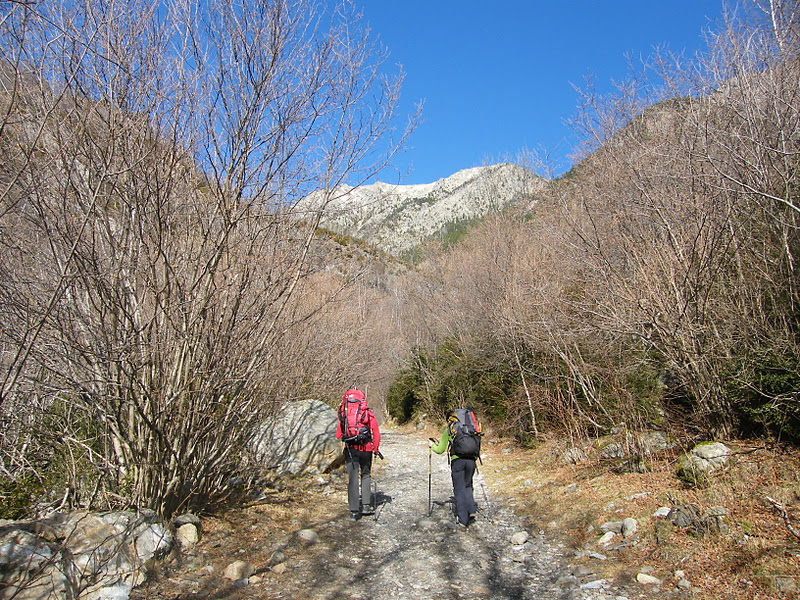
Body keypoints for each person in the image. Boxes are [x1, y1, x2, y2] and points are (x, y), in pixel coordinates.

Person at [429, 409, 481, 528]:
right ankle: (471, 510)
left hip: (458, 461)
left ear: (449, 419)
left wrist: (432, 446)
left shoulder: (450, 428)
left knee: (459, 489)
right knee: (468, 485)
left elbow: (440, 449)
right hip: (471, 460)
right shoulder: (470, 428)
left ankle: (463, 519)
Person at [335, 389, 381, 521]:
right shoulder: (367, 413)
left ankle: (354, 512)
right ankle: (366, 506)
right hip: (366, 449)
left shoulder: (342, 413)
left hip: (350, 450)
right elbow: (376, 432)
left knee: (353, 479)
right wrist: (375, 448)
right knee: (366, 475)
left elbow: (338, 435)